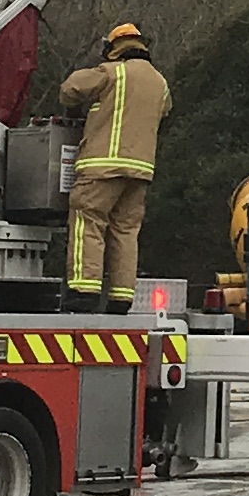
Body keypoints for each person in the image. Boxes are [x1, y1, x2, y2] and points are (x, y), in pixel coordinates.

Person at [56, 23, 170, 313]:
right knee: (126, 231)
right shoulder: (160, 83)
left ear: (114, 48)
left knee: (88, 222)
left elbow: (70, 89)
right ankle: (121, 298)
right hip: (141, 171)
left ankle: (84, 291)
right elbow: (164, 110)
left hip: (102, 166)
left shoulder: (112, 72)